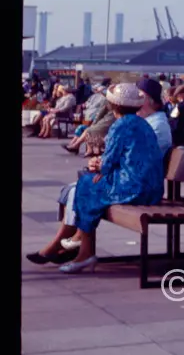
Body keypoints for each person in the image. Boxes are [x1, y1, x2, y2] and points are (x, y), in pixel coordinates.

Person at [27, 83, 164, 273]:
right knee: (88, 185)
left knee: (85, 186)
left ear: (113, 105)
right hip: (152, 188)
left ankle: (84, 252)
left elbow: (108, 163)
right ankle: (80, 248)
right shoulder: (142, 124)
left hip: (134, 187)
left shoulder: (120, 125)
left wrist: (98, 164)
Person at [136, 77, 173, 156]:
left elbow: (138, 155)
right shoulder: (148, 121)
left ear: (152, 101)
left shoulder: (158, 125)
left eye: (140, 97)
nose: (135, 101)